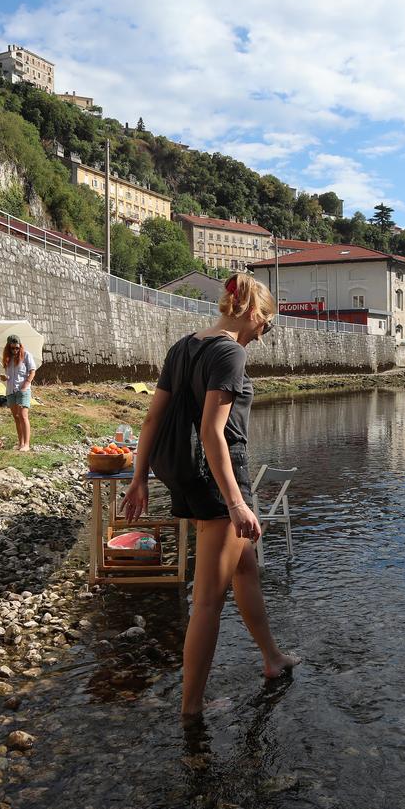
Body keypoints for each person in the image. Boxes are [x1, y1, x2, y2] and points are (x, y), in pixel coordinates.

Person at [122, 274, 299, 718]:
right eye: (267, 325)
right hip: (218, 482)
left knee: (246, 569)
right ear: (254, 314)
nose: (264, 334)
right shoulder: (230, 352)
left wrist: (139, 477)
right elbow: (211, 432)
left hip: (189, 475)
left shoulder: (182, 347)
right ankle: (192, 707)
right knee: (206, 602)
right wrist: (236, 502)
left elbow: (150, 421)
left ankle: (272, 658)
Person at [0, 335, 37, 451]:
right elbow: (10, 376)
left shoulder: (26, 355)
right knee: (16, 417)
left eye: (17, 348)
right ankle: (20, 443)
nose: (15, 350)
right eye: (12, 348)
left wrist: (26, 384)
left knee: (23, 415)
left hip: (22, 390)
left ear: (20, 346)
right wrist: (5, 377)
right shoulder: (8, 358)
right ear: (8, 347)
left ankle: (27, 444)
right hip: (11, 390)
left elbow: (32, 372)